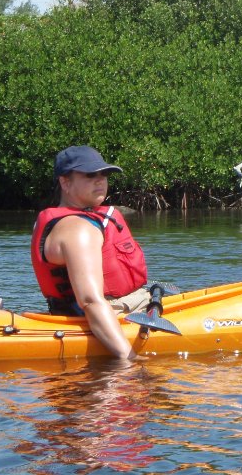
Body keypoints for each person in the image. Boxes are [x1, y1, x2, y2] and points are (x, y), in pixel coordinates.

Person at [31, 145, 150, 361]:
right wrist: (129, 359)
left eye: (104, 174)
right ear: (65, 182)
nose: (100, 180)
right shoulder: (78, 230)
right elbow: (90, 301)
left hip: (124, 304)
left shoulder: (81, 221)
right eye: (89, 175)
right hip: (105, 315)